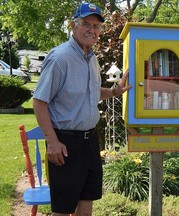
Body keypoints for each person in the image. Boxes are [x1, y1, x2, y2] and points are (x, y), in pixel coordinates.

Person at [33, 2, 131, 215]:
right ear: (73, 25)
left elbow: (93, 93)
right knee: (63, 208)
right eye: (86, 24)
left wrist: (115, 91)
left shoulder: (91, 58)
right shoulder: (61, 58)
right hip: (66, 144)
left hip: (90, 142)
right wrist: (52, 142)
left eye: (96, 26)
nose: (92, 30)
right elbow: (39, 102)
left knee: (87, 200)